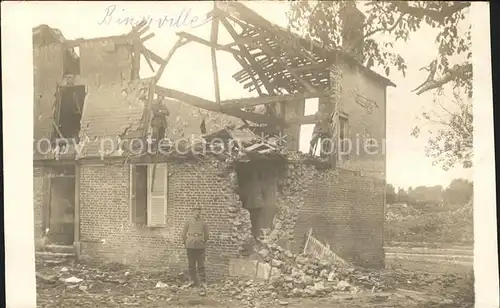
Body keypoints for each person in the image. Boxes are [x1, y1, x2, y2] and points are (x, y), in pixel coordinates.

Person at [182, 205, 209, 287]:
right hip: (190, 245)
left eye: (199, 211)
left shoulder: (203, 223)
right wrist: (186, 242)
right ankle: (192, 280)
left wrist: (202, 241)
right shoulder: (188, 222)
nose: (197, 213)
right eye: (196, 211)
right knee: (191, 265)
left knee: (201, 265)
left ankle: (203, 282)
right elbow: (183, 234)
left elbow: (207, 235)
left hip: (200, 246)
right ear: (192, 212)